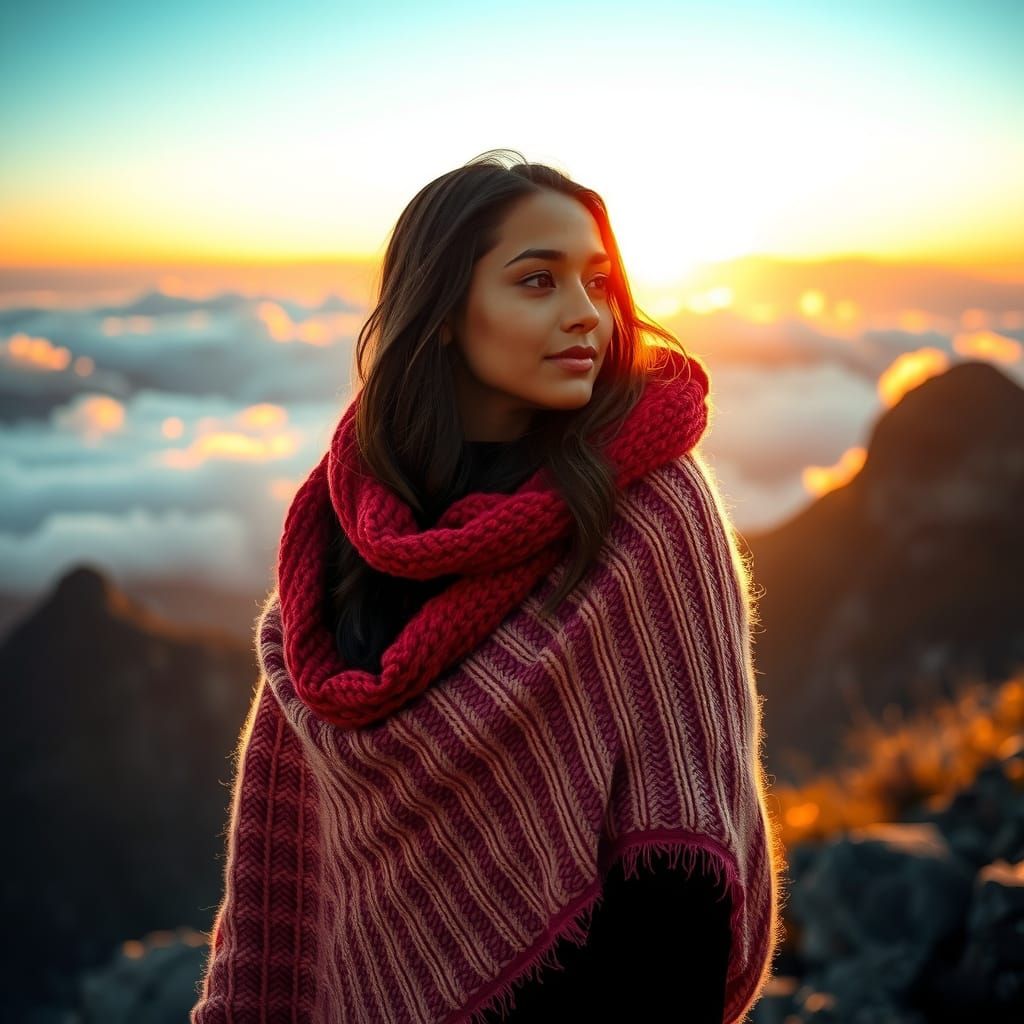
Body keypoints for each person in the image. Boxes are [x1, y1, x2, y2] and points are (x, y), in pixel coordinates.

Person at [192, 149, 783, 1024]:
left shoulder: (653, 511)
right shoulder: (341, 544)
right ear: (439, 313)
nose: (588, 316)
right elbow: (285, 892)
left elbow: (685, 876)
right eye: (538, 281)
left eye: (599, 282)